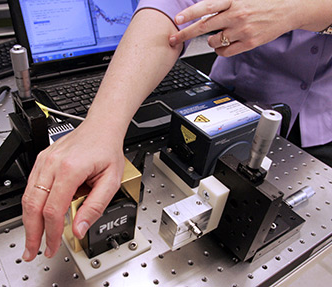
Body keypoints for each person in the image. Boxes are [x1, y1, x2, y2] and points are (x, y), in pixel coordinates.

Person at [21, 0, 332, 262]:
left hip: (322, 120)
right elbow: (170, 9)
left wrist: (298, 12)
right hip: (232, 98)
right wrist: (101, 126)